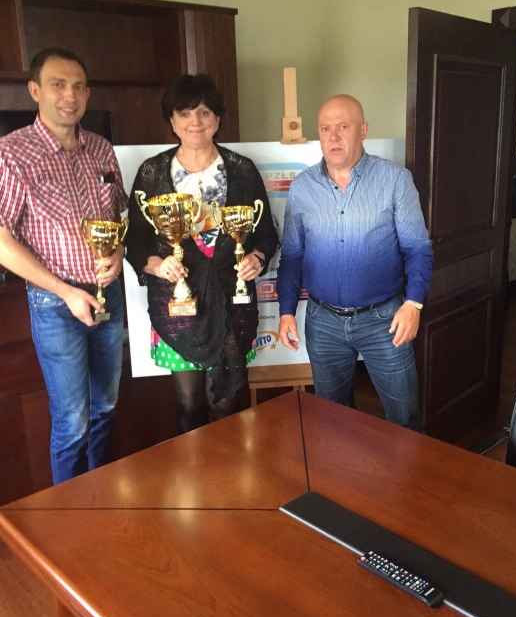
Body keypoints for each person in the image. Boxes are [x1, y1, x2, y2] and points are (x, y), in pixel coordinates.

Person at [0, 48, 128, 483]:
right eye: (58, 85)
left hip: (108, 297)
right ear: (35, 90)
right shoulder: (12, 154)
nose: (69, 96)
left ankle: (103, 496)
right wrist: (65, 290)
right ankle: (70, 513)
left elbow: (118, 217)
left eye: (78, 86)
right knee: (73, 420)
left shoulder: (102, 150)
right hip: (56, 305)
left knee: (106, 407)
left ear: (88, 94)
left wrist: (118, 252)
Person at [125, 74, 278, 433]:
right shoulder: (152, 173)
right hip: (177, 306)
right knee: (189, 401)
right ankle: (194, 470)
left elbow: (266, 234)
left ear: (217, 119)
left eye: (205, 112)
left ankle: (232, 467)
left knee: (226, 401)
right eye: (184, 113)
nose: (195, 121)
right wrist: (159, 265)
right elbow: (137, 241)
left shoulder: (241, 170)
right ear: (172, 120)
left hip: (231, 302)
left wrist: (255, 259)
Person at [277, 95, 433, 431]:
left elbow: (418, 248)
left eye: (343, 126)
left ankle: (408, 468)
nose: (333, 136)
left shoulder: (395, 180)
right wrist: (286, 311)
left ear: (363, 130)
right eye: (325, 128)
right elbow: (291, 255)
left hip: (384, 321)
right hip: (323, 323)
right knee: (333, 419)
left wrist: (413, 303)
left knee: (405, 419)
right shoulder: (303, 187)